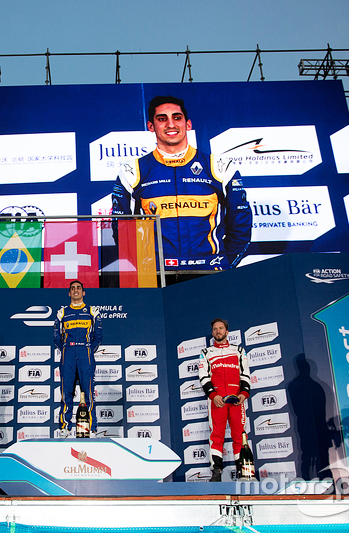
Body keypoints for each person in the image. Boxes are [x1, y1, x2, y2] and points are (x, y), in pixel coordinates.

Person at [112, 95, 252, 270]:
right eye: (162, 119)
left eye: (177, 117)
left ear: (188, 124)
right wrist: (147, 268)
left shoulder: (219, 167)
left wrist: (222, 265)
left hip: (211, 276)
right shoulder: (133, 171)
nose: (171, 124)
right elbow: (122, 229)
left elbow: (241, 226)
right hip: (159, 279)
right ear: (150, 126)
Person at [197, 318, 251, 481]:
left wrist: (244, 393)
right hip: (217, 401)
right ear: (212, 332)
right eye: (215, 329)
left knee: (239, 435)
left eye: (220, 328)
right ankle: (216, 471)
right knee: (217, 435)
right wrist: (213, 396)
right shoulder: (206, 353)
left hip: (236, 400)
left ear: (227, 332)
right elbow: (203, 377)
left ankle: (244, 471)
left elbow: (246, 374)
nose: (218, 331)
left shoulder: (239, 351)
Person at [54, 280, 103, 438]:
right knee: (66, 393)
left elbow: (98, 336)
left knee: (88, 393)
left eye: (78, 288)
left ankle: (92, 428)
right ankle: (64, 428)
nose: (76, 291)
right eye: (73, 289)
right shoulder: (62, 312)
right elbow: (57, 337)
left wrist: (88, 349)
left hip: (85, 352)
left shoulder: (92, 311)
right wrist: (66, 349)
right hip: (68, 352)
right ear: (69, 293)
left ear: (83, 292)